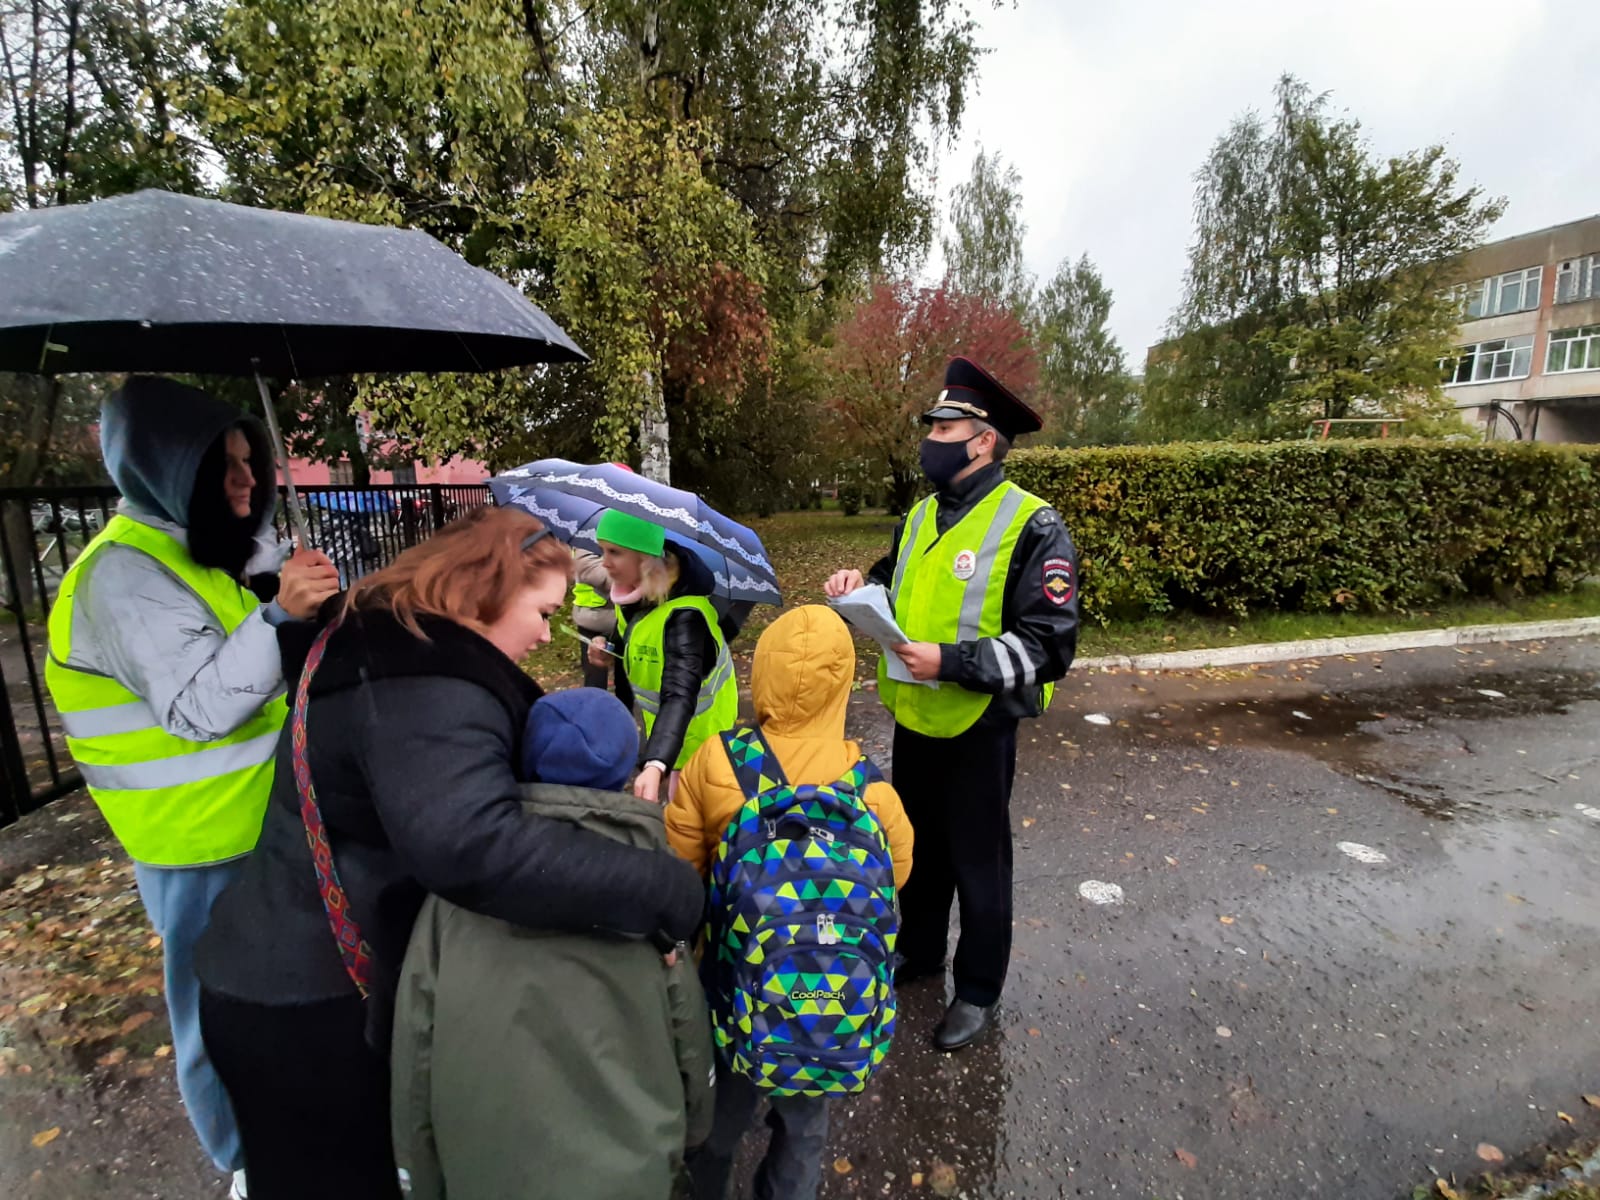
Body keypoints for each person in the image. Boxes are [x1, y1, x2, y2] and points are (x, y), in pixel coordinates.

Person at [192, 506, 706, 1200]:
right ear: (492, 588)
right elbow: (473, 844)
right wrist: (664, 889)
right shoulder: (420, 681)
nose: (544, 634)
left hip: (285, 979)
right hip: (310, 1009)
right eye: (543, 612)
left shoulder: (385, 646)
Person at [44, 376, 341, 1197]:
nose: (247, 480)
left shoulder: (198, 551)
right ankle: (244, 1163)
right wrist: (279, 618)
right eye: (224, 465)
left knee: (283, 994)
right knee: (215, 1013)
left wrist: (297, 589)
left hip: (258, 823)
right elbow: (200, 708)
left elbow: (258, 621)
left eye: (251, 461)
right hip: (196, 846)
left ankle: (292, 1129)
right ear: (168, 471)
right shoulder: (122, 577)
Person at [824, 356, 1079, 1052]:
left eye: (944, 427)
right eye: (932, 426)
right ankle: (920, 949)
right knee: (922, 849)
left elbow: (1049, 644)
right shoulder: (921, 515)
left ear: (983, 440)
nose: (930, 439)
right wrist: (857, 585)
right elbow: (895, 580)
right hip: (916, 716)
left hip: (979, 724)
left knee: (978, 864)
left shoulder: (1033, 524)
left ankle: (978, 990)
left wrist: (952, 662)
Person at [392, 687, 713, 1200]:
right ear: (626, 772)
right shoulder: (653, 889)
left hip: (485, 1175)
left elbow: (416, 1043)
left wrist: (419, 1178)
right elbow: (687, 1029)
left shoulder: (455, 893)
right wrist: (692, 1133)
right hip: (629, 1173)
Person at [666, 605, 913, 1200]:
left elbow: (681, 875)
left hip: (731, 985)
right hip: (825, 995)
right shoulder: (871, 788)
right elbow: (896, 878)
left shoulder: (718, 760)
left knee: (717, 1124)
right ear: (844, 683)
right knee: (804, 1131)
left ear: (762, 674)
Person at [588, 509, 738, 804]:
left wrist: (656, 762)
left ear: (644, 559)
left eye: (615, 552)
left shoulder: (685, 617)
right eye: (601, 550)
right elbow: (635, 636)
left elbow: (679, 693)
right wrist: (609, 649)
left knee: (690, 819)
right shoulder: (635, 597)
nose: (604, 562)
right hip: (671, 735)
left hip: (700, 740)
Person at [572, 546, 632, 706]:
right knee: (595, 680)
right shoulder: (589, 537)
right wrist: (632, 578)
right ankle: (595, 718)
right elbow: (586, 567)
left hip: (625, 619)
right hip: (593, 619)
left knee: (627, 679)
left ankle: (624, 717)